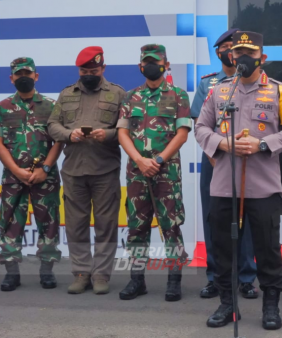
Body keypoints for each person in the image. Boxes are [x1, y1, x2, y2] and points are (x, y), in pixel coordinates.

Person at [195, 31, 282, 330]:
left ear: (262, 58)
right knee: (224, 248)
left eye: (249, 53)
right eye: (237, 52)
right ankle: (227, 305)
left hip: (263, 187)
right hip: (224, 184)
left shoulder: (280, 91)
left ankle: (270, 306)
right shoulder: (219, 91)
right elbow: (201, 128)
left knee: (267, 249)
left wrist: (262, 144)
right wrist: (223, 143)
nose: (241, 58)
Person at [48, 47, 125, 295]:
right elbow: (52, 125)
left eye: (93, 70)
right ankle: (81, 273)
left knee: (106, 224)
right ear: (78, 70)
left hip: (105, 169)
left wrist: (110, 134)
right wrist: (69, 134)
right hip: (73, 170)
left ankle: (101, 275)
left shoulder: (118, 93)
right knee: (76, 224)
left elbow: (127, 128)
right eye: (84, 71)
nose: (88, 74)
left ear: (103, 68)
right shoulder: (66, 94)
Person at [117, 44, 191, 302]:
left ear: (166, 64)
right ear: (140, 67)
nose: (151, 65)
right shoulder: (130, 97)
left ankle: (174, 281)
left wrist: (157, 160)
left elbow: (182, 135)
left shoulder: (179, 95)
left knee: (171, 225)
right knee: (137, 226)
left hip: (166, 172)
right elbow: (122, 132)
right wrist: (139, 160)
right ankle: (136, 281)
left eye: (156, 61)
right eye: (147, 62)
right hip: (137, 173)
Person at [191, 28, 258, 299]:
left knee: (246, 220)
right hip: (214, 161)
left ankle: (246, 278)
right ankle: (215, 277)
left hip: (245, 162)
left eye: (236, 48)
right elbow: (199, 124)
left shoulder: (256, 82)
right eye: (226, 47)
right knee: (214, 220)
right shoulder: (208, 84)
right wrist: (214, 155)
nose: (231, 53)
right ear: (219, 52)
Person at [0, 57, 63, 291]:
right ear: (11, 78)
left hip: (44, 177)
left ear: (36, 76)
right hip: (12, 177)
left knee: (48, 222)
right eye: (19, 74)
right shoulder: (3, 108)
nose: (23, 78)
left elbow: (59, 141)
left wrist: (45, 168)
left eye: (28, 74)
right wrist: (15, 169)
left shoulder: (51, 106)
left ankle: (47, 271)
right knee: (10, 223)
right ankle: (12, 273)